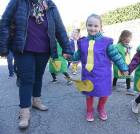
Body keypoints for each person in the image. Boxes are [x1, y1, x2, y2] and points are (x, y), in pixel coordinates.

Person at [0, 0, 72, 129]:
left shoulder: (50, 4)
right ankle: (24, 111)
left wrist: (66, 47)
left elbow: (59, 27)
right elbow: (4, 22)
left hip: (44, 49)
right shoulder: (17, 2)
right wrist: (3, 47)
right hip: (23, 48)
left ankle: (36, 101)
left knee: (38, 76)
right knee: (27, 79)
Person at [72, 14, 128, 122]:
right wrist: (70, 56)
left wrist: (123, 68)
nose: (92, 28)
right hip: (88, 74)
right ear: (86, 26)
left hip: (103, 75)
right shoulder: (82, 42)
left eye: (96, 26)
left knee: (104, 92)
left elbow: (116, 56)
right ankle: (89, 110)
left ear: (100, 27)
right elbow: (77, 55)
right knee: (89, 93)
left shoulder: (107, 42)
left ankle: (101, 107)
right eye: (90, 25)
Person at [112, 30, 135, 95]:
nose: (127, 43)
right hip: (119, 64)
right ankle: (113, 85)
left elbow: (128, 54)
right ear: (122, 39)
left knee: (128, 75)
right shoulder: (117, 46)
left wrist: (128, 49)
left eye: (128, 42)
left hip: (127, 63)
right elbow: (115, 55)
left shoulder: (127, 46)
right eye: (126, 41)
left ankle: (128, 88)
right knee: (116, 75)